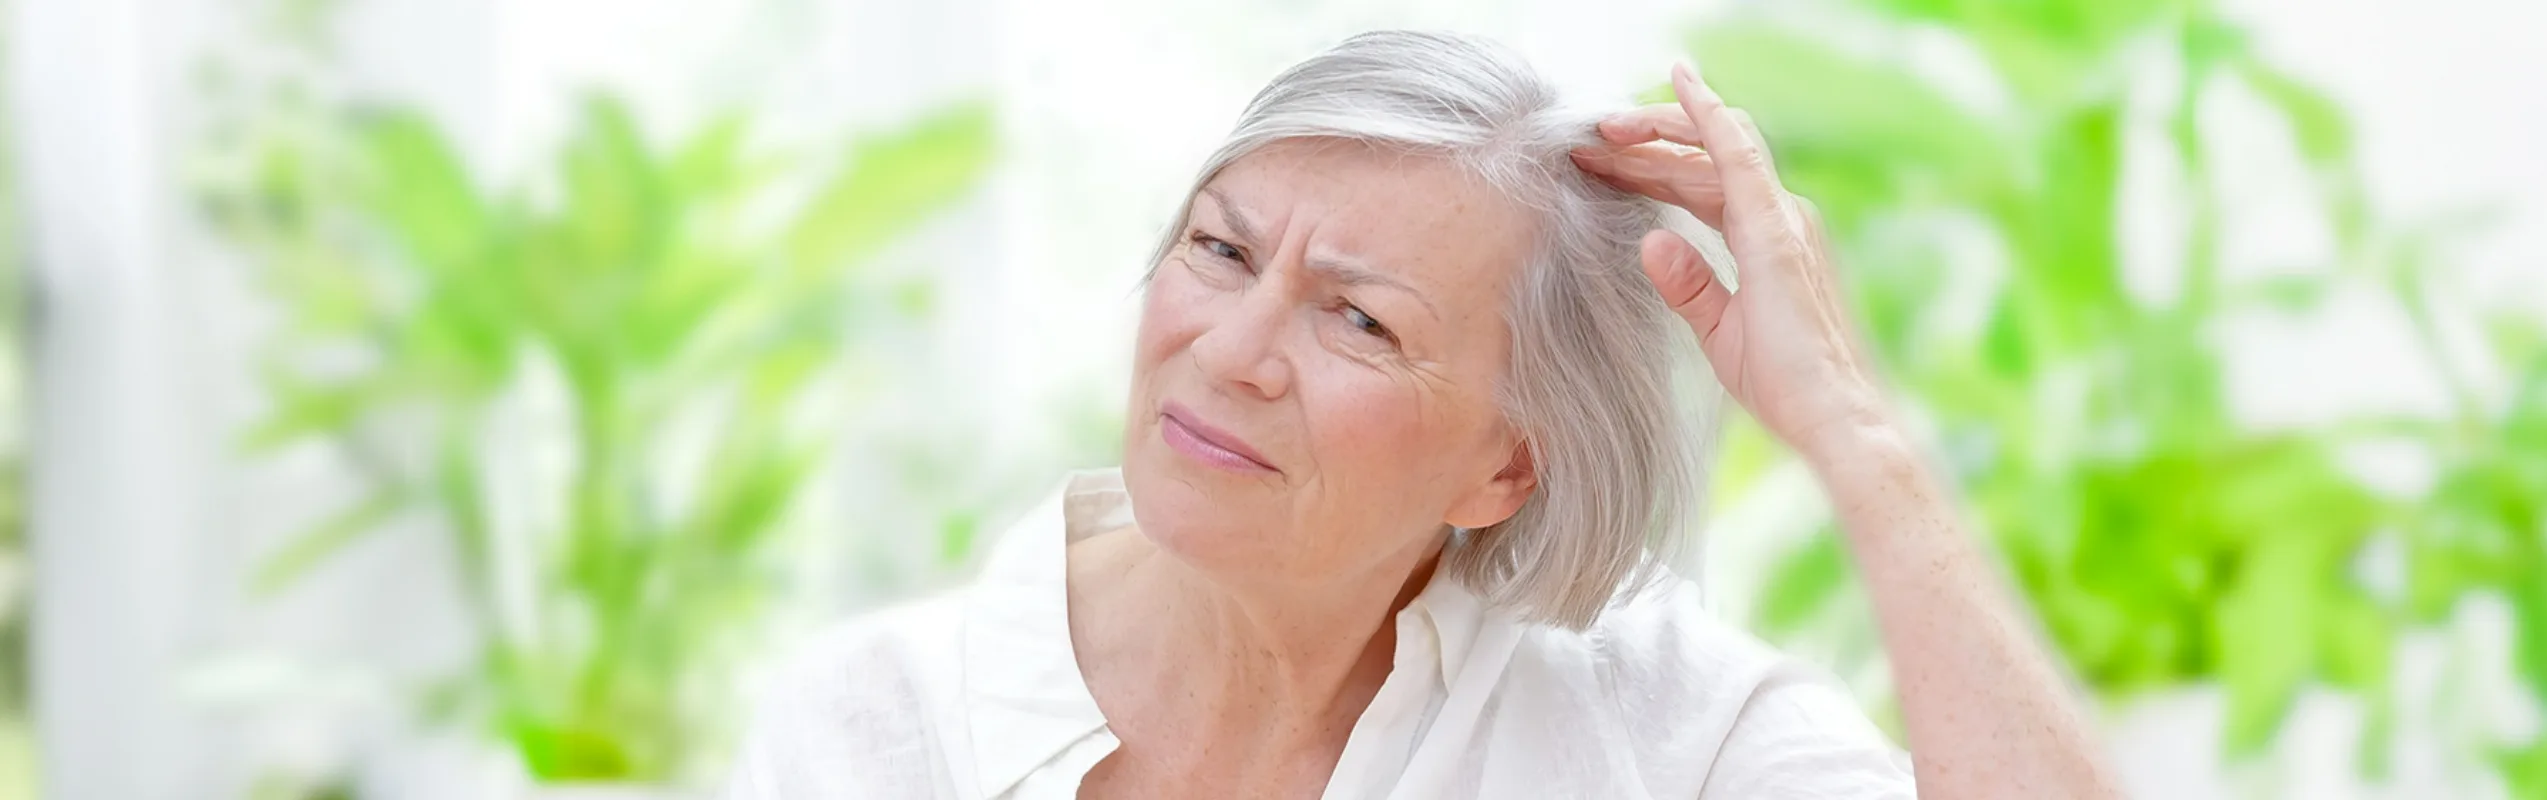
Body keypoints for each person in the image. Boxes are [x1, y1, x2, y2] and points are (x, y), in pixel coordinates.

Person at [724, 30, 2120, 799]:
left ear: (1505, 466)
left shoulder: (1651, 733)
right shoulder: (865, 729)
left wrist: (1859, 442)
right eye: (1220, 250)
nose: (1236, 350)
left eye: (1361, 319)